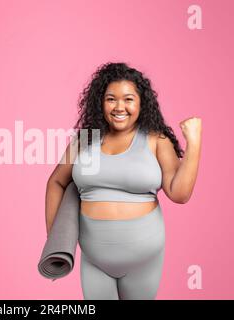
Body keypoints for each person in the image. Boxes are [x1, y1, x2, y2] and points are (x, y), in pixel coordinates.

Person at [45, 62, 202, 300]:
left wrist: (194, 143)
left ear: (141, 103)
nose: (120, 107)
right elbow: (56, 182)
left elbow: (179, 194)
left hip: (143, 258)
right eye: (111, 99)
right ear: (100, 102)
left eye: (128, 99)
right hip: (95, 258)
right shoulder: (84, 140)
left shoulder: (156, 140)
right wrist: (56, 239)